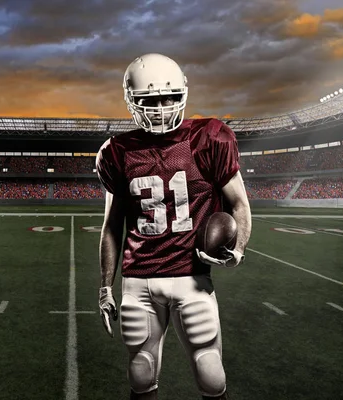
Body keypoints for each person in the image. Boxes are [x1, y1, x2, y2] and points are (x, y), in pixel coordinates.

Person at [96, 53, 252, 400]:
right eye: (150, 100)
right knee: (141, 372)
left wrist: (238, 249)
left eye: (168, 97)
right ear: (133, 102)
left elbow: (239, 203)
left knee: (211, 372)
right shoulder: (117, 151)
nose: (161, 107)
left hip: (190, 275)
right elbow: (111, 226)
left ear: (182, 94)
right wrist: (105, 287)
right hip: (139, 280)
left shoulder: (209, 137)